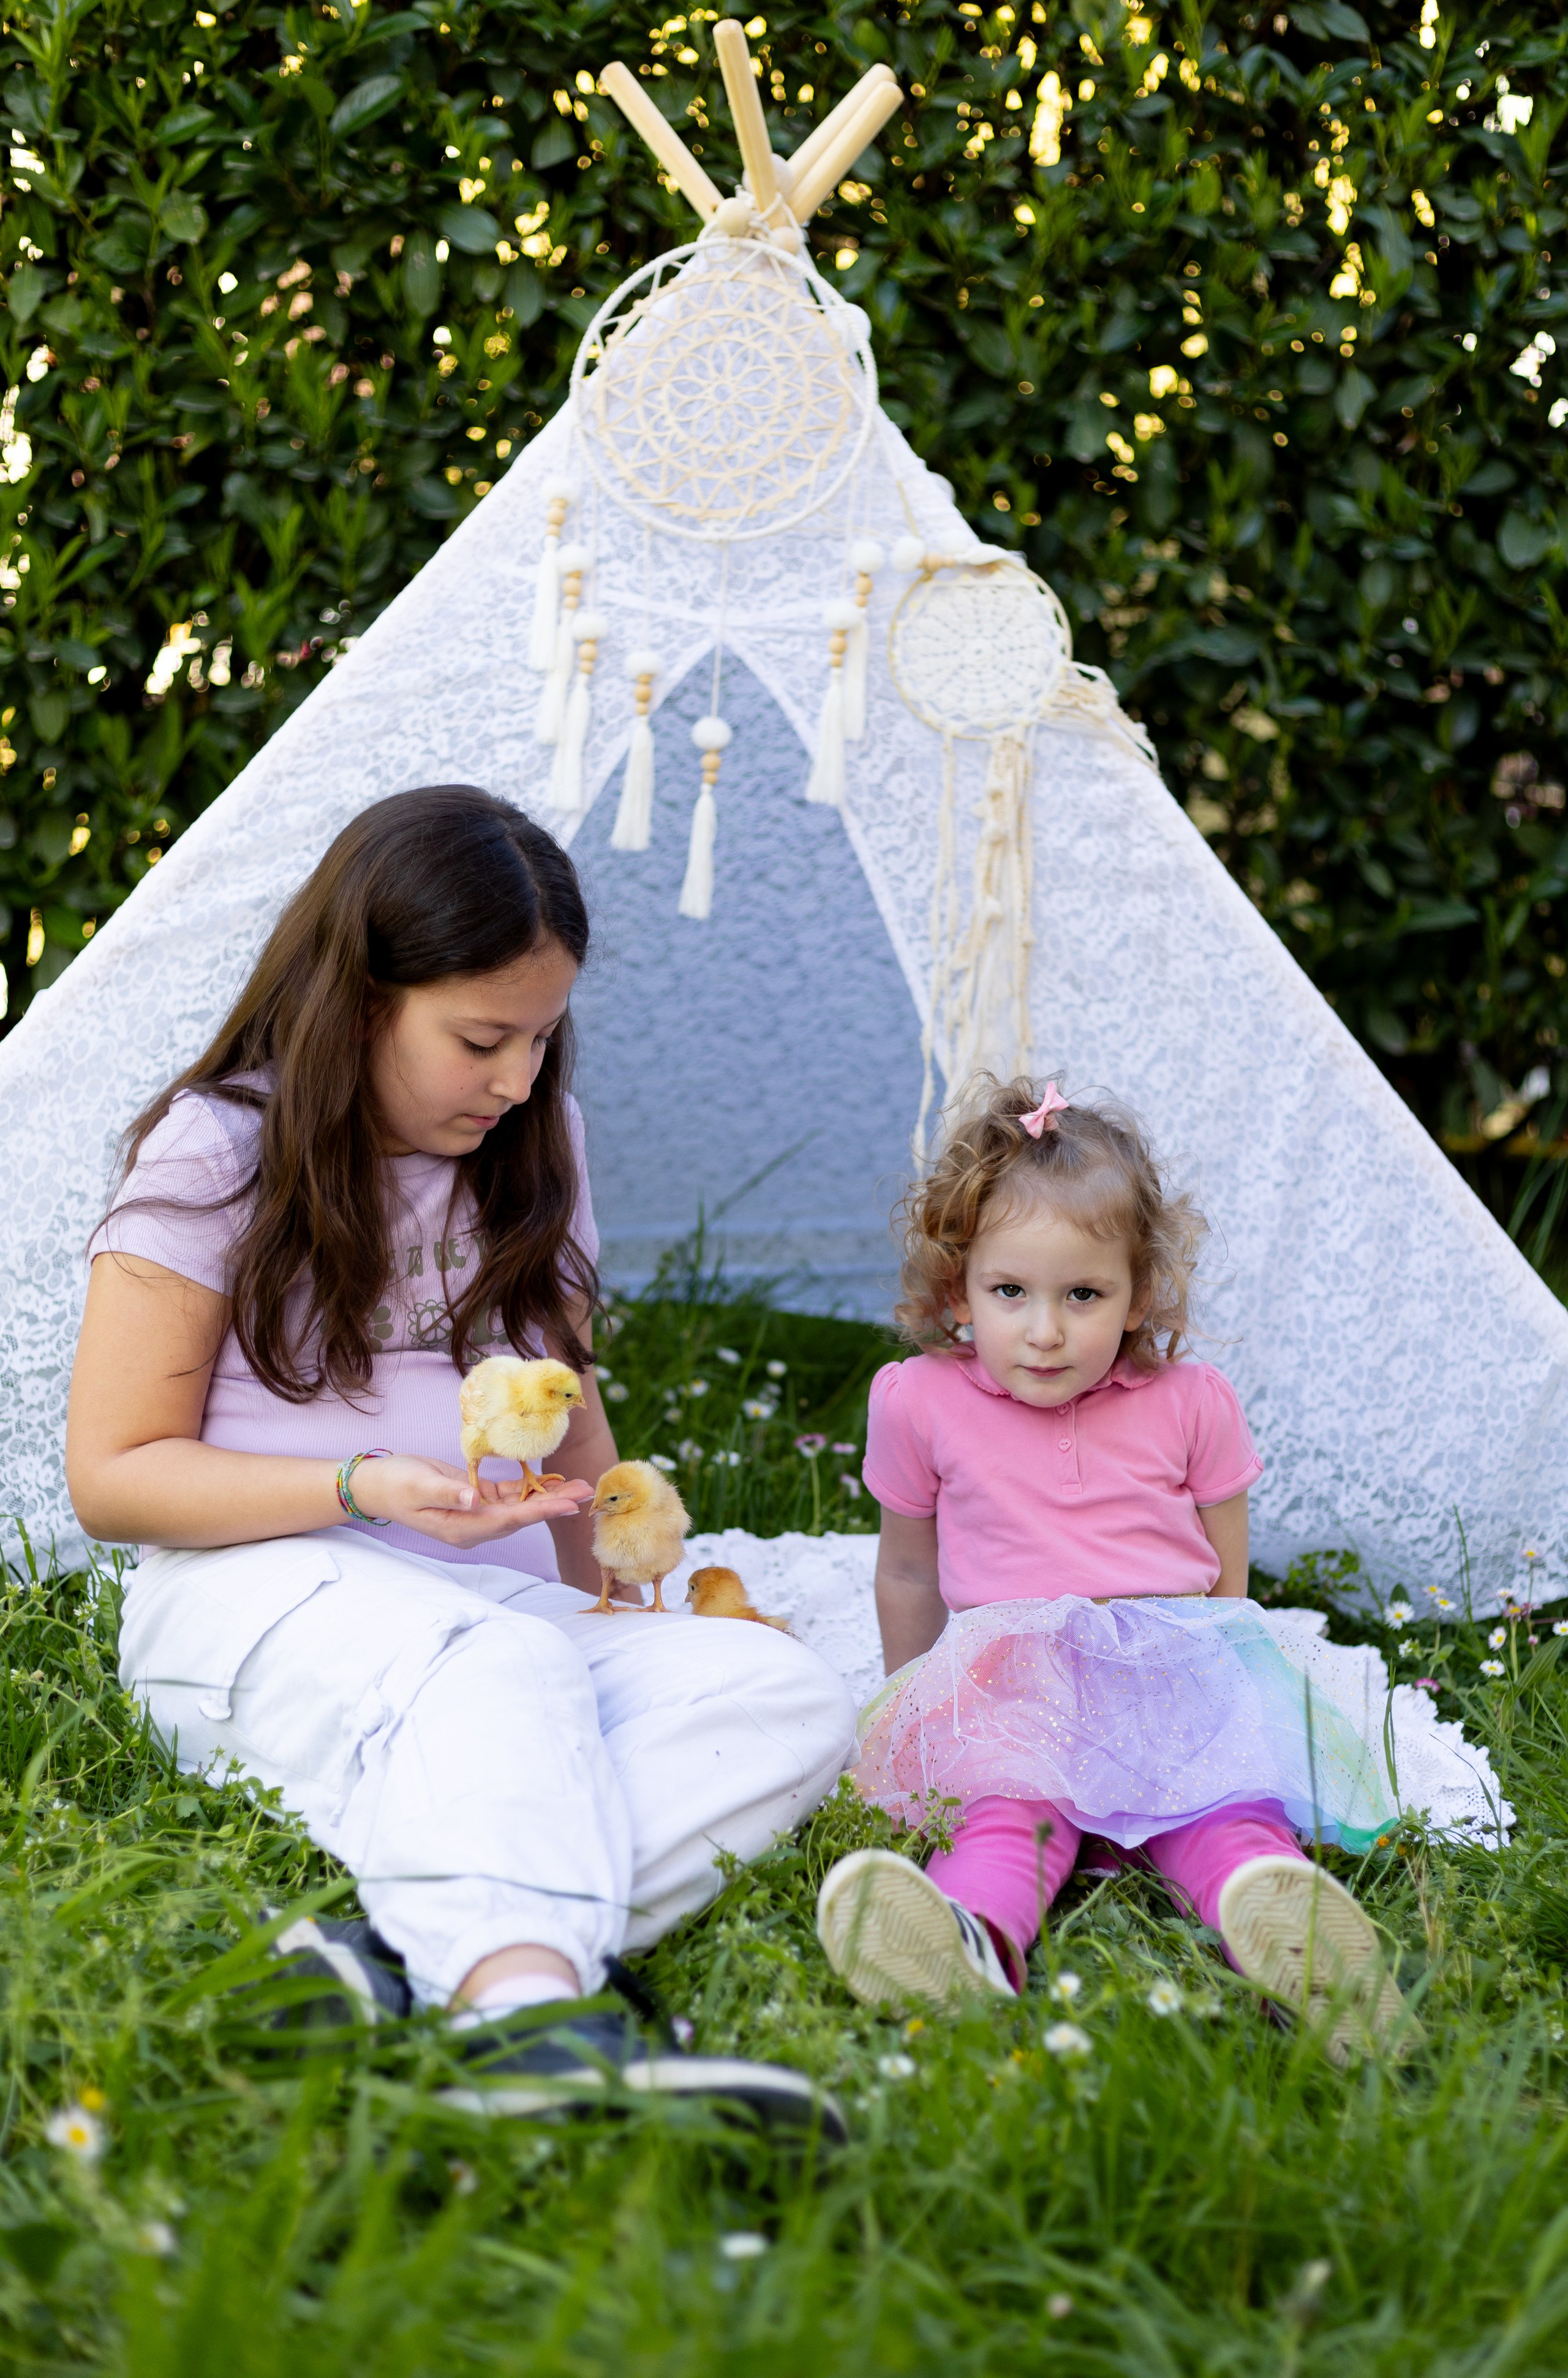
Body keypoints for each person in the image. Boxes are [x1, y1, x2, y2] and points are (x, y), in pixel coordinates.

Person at [67, 785, 856, 2127]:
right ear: (358, 1002)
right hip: (252, 1594)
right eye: (483, 1039)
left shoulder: (534, 1143)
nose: (519, 1082)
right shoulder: (220, 1147)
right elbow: (113, 1474)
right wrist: (359, 1487)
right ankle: (524, 2026)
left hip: (482, 1607)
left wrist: (617, 1593)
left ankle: (400, 1957)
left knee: (775, 1694)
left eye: (543, 1039)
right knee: (505, 1669)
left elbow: (567, 1397)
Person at [815, 1077, 1412, 2065]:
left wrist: (1222, 1691)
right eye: (1010, 1292)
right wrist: (912, 1702)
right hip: (1017, 1685)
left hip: (1163, 1668)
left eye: (1083, 1295)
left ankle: (1288, 1933)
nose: (1045, 1330)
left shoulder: (1191, 1401)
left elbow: (1226, 1578)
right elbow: (910, 1572)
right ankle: (969, 1941)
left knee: (1217, 1809)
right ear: (958, 1287)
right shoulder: (918, 1399)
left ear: (1139, 1294)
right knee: (1006, 1819)